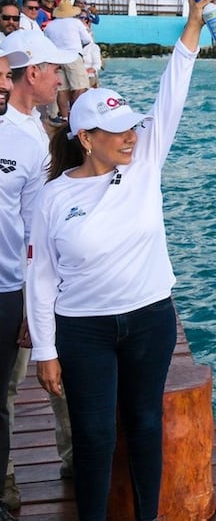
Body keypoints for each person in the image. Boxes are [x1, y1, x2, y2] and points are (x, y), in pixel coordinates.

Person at [26, 0, 208, 520]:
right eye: (118, 130)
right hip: (83, 328)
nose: (132, 135)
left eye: (132, 125)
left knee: (146, 423)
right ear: (86, 138)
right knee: (95, 434)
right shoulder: (55, 196)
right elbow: (41, 279)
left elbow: (173, 91)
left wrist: (192, 26)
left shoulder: (146, 159)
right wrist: (45, 351)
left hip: (151, 317)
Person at [0, 30, 74, 504]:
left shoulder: (44, 136)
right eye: (54, 71)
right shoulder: (23, 135)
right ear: (33, 73)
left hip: (26, 282)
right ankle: (6, 480)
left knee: (51, 375)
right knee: (13, 384)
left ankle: (77, 458)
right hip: (17, 285)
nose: (59, 80)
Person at [0, 41, 40, 520]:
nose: (5, 87)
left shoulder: (27, 145)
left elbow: (33, 234)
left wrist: (32, 305)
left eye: (6, 78)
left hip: (7, 291)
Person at [42, 0, 93, 125]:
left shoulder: (50, 26)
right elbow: (87, 40)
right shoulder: (76, 23)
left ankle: (64, 118)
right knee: (79, 87)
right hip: (73, 56)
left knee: (61, 89)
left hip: (57, 58)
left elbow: (46, 44)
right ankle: (75, 116)